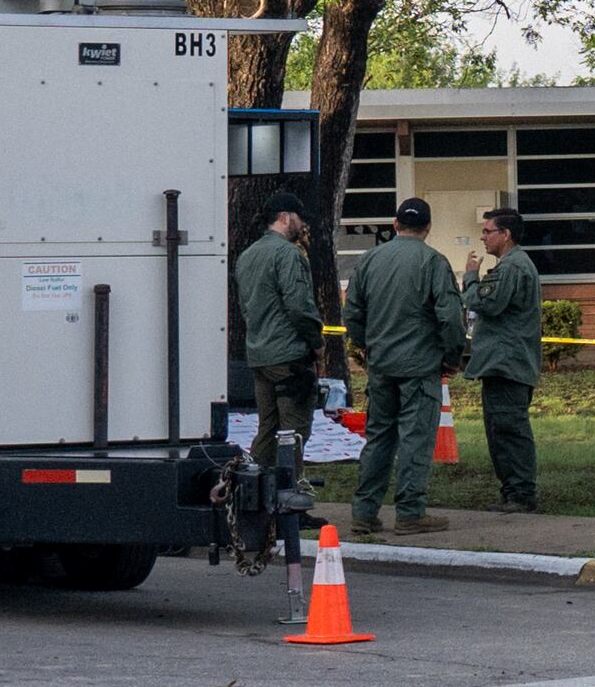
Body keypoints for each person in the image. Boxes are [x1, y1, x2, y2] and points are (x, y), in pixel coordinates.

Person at [345, 195, 470, 537]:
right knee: (415, 439)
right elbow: (449, 316)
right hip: (419, 365)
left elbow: (352, 312)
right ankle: (411, 512)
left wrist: (365, 346)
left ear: (395, 224)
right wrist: (452, 356)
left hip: (381, 364)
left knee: (379, 436)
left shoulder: (370, 259)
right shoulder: (433, 261)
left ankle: (364, 512)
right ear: (428, 228)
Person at [463, 203, 550, 516]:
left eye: (488, 231)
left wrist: (471, 279)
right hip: (504, 363)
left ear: (506, 234)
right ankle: (512, 492)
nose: (483, 237)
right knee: (499, 430)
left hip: (507, 363)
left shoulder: (512, 267)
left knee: (509, 431)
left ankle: (521, 494)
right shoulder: (512, 265)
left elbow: (488, 304)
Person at [232, 203, 321, 481]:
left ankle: (255, 494)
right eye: (300, 218)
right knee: (293, 432)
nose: (303, 225)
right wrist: (315, 341)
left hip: (260, 354)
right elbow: (299, 305)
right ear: (285, 217)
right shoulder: (287, 254)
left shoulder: (248, 255)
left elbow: (245, 305)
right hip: (290, 356)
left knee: (267, 429)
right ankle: (289, 499)